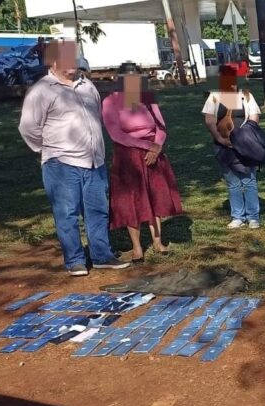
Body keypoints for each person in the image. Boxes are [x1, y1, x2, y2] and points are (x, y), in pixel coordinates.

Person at [18, 40, 130, 276]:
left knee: (98, 210)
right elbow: (28, 127)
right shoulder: (42, 90)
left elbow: (95, 117)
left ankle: (101, 255)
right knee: (67, 213)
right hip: (61, 163)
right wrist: (47, 150)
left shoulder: (87, 85)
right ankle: (75, 260)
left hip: (94, 161)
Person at [102, 62, 183, 263]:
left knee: (154, 196)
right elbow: (116, 134)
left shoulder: (147, 98)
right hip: (128, 155)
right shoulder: (110, 102)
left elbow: (160, 126)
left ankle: (157, 241)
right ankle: (137, 247)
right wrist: (146, 147)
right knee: (132, 199)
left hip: (152, 153)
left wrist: (157, 146)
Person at [202, 64, 263, 229]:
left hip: (244, 146)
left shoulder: (246, 96)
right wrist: (220, 139)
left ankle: (253, 217)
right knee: (232, 182)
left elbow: (254, 117)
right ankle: (237, 216)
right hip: (223, 146)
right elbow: (209, 120)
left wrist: (244, 137)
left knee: (249, 181)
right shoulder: (214, 97)